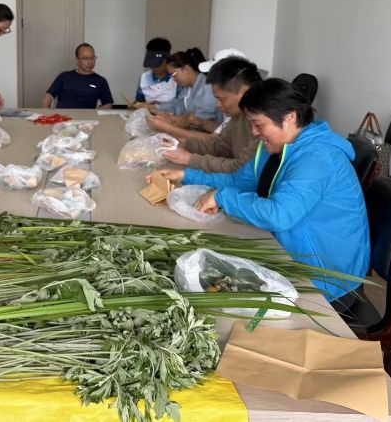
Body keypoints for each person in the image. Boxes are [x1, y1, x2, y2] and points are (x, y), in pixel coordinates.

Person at [152, 78, 370, 302]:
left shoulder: (317, 157)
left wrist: (222, 197)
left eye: (258, 124)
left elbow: (279, 215)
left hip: (324, 275)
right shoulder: (273, 146)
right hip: (287, 250)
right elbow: (239, 181)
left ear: (289, 118)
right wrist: (186, 175)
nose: (254, 132)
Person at [158, 56, 262, 173]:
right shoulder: (238, 116)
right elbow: (220, 146)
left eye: (221, 98)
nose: (217, 104)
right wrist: (182, 143)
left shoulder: (261, 124)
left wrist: (189, 159)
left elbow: (241, 168)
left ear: (244, 93)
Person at [156, 48, 221, 132]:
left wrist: (170, 122)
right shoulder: (186, 87)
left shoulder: (207, 88)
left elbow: (198, 123)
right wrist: (153, 108)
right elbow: (175, 105)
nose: (173, 79)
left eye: (174, 74)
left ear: (186, 69)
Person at [41, 43, 113, 109]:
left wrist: (96, 114)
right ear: (77, 60)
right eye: (85, 58)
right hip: (63, 117)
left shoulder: (100, 81)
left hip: (86, 118)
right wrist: (47, 115)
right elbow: (48, 97)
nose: (90, 62)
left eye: (92, 58)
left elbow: (108, 104)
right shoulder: (64, 76)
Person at [133, 37, 175, 106]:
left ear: (167, 60)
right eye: (151, 64)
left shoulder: (176, 78)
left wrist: (159, 105)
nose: (154, 68)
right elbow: (139, 101)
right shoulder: (144, 77)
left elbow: (181, 106)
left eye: (157, 64)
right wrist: (134, 105)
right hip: (147, 112)